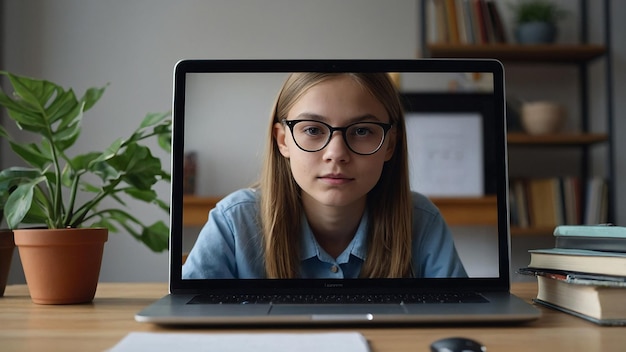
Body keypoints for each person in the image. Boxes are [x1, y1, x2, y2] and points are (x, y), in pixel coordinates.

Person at [183, 72, 467, 279]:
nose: (336, 153)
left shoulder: (421, 220)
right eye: (312, 129)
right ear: (283, 141)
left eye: (362, 131)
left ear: (390, 144)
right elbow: (185, 326)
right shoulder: (234, 221)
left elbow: (461, 326)